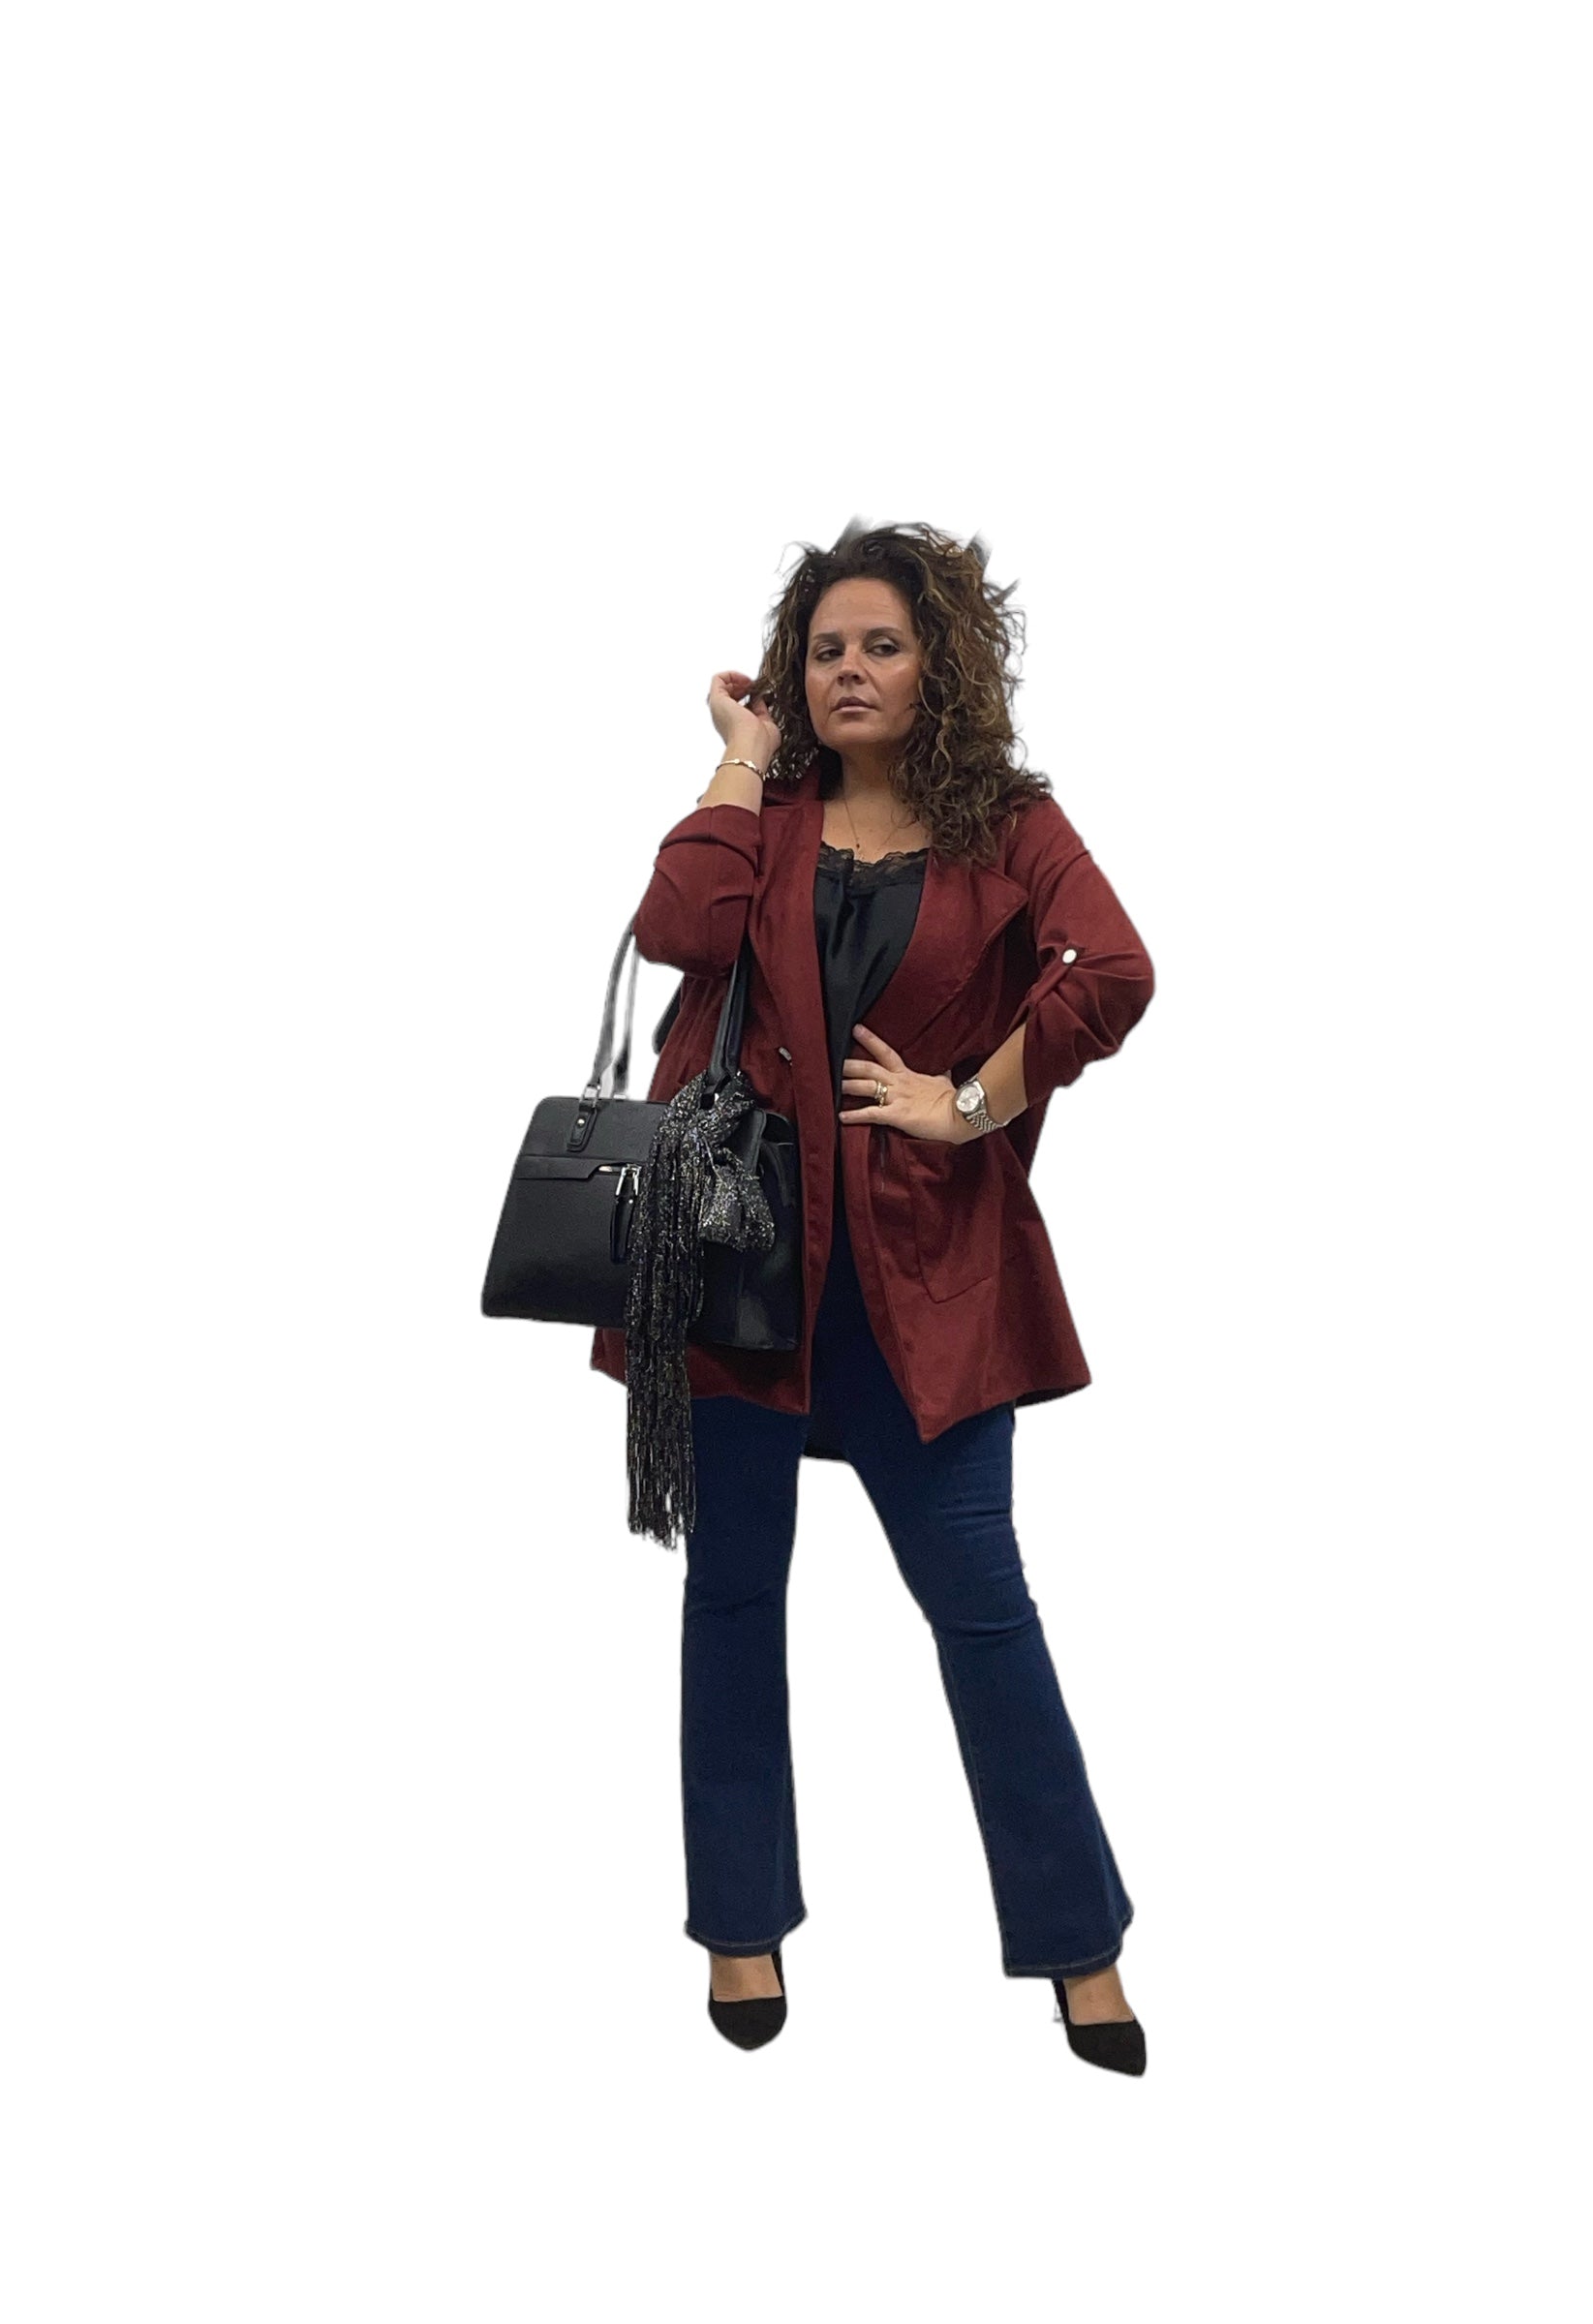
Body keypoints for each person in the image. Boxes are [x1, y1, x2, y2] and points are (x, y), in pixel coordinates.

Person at [588, 520, 1157, 2070]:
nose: (851, 670)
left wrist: (967, 1104)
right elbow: (675, 928)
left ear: (936, 666)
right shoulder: (765, 812)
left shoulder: (1011, 823)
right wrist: (738, 755)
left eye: (882, 646)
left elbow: (1113, 971)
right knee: (732, 1597)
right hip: (737, 1267)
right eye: (826, 648)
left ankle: (1080, 1945)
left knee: (983, 1608)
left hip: (929, 1280)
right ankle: (742, 1925)